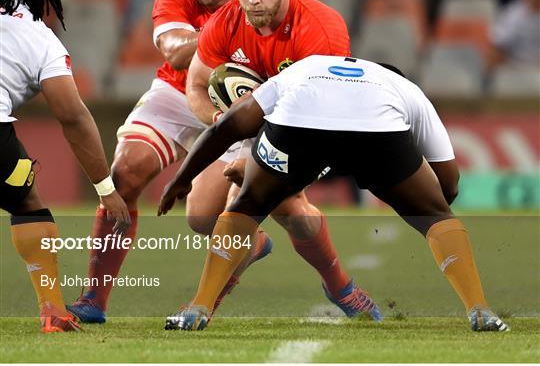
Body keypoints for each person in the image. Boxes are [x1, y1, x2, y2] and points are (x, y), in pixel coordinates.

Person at [159, 55, 509, 332]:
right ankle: (479, 309)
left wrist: (184, 177)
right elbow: (449, 182)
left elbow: (230, 125)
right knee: (437, 218)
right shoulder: (406, 90)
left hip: (299, 123)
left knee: (248, 204)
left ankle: (199, 307)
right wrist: (429, 206)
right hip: (379, 131)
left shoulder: (307, 68)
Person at [168, 0, 380, 329]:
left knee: (247, 200)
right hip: (252, 123)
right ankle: (258, 246)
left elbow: (322, 115)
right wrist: (222, 125)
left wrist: (256, 158)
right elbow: (195, 86)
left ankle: (208, 302)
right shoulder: (226, 20)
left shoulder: (321, 27)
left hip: (316, 128)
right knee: (199, 216)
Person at [67, 0, 241, 324]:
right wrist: (224, 27)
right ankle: (94, 299)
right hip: (179, 92)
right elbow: (177, 54)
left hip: (240, 103)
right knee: (123, 174)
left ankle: (341, 285)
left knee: (223, 214)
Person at [0, 0, 129, 333]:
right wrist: (105, 188)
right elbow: (73, 117)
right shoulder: (40, 39)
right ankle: (53, 311)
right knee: (27, 204)